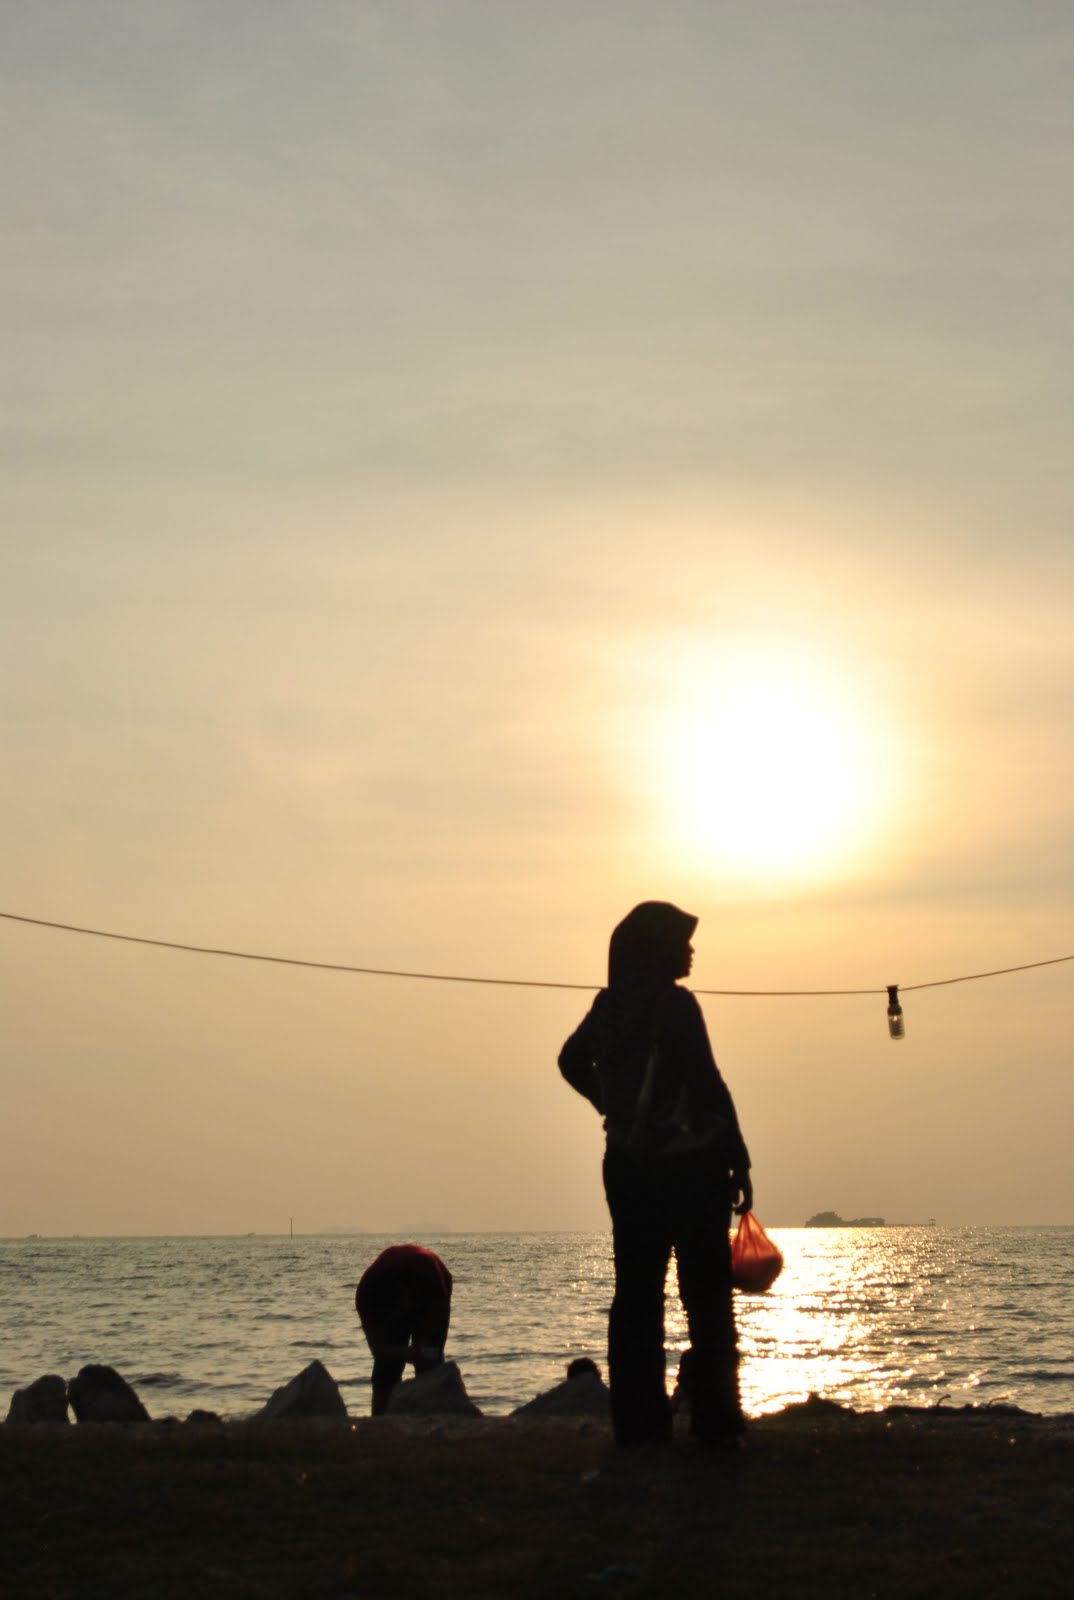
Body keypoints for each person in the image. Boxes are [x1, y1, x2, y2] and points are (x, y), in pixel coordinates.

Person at [558, 900, 752, 1447]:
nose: (690, 951)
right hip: (691, 1169)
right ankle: (715, 1421)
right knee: (706, 1297)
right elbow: (709, 1083)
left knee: (637, 1296)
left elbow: (570, 1061)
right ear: (655, 949)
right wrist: (739, 1157)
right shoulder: (676, 1006)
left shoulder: (607, 1008)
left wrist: (612, 1107)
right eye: (680, 941)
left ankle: (639, 1425)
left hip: (627, 1165)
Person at [354, 1244, 453, 1416]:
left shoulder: (428, 1279)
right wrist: (402, 1352)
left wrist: (423, 1347)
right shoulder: (366, 1297)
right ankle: (380, 1419)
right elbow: (378, 1350)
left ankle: (432, 1415)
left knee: (430, 1363)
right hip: (394, 1285)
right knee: (385, 1370)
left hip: (432, 1281)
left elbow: (435, 1321)